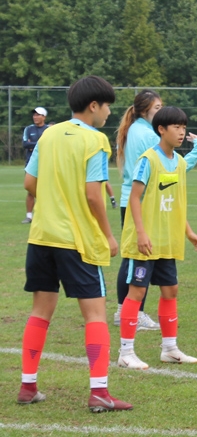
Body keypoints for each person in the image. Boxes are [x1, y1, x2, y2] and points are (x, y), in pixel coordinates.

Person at [18, 75, 132, 412]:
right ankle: (99, 392)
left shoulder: (49, 134)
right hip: (77, 240)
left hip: (41, 237)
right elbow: (93, 194)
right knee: (95, 313)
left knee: (40, 311)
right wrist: (110, 235)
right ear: (94, 106)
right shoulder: (95, 141)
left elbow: (29, 181)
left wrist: (55, 201)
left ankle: (27, 386)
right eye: (108, 105)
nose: (110, 112)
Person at [117, 107, 197, 370]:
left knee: (171, 290)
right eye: (176, 127)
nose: (181, 132)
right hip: (145, 241)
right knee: (137, 292)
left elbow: (176, 202)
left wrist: (189, 232)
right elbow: (134, 197)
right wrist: (141, 233)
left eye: (183, 126)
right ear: (161, 130)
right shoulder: (148, 159)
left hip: (167, 240)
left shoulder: (179, 162)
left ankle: (169, 348)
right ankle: (126, 352)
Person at [22, 107, 49, 224]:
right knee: (30, 190)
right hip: (31, 164)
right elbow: (25, 144)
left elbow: (50, 143)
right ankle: (29, 216)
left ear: (44, 117)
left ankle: (46, 214)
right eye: (34, 115)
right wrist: (40, 144)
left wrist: (34, 145)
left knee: (47, 190)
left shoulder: (49, 129)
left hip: (47, 163)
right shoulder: (28, 129)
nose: (35, 117)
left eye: (38, 115)